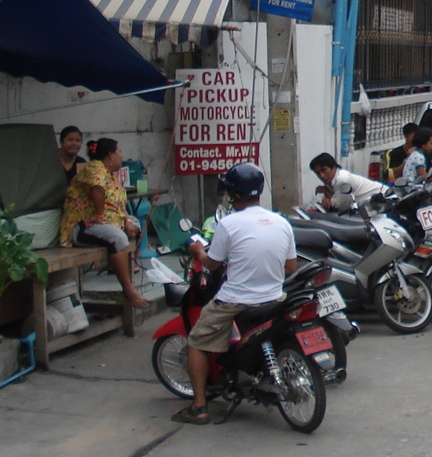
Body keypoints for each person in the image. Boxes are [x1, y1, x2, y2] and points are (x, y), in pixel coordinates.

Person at [170, 163, 298, 426]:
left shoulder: (228, 224)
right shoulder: (281, 221)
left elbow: (213, 264)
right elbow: (291, 267)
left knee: (196, 342)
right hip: (274, 299)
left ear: (233, 194)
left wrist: (197, 251)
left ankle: (199, 406)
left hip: (234, 301)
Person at [59, 137, 146, 309]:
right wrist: (98, 215)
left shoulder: (111, 176)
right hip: (82, 227)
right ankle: (128, 289)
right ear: (110, 155)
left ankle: (122, 257)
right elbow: (97, 189)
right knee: (118, 237)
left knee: (135, 222)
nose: (121, 156)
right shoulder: (94, 169)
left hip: (110, 222)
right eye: (119, 152)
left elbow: (119, 206)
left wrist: (127, 221)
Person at [307, 153, 385, 213]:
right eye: (318, 173)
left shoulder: (342, 180)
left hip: (384, 198)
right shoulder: (331, 180)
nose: (322, 176)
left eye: (324, 170)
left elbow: (341, 206)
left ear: (334, 167)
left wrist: (325, 192)